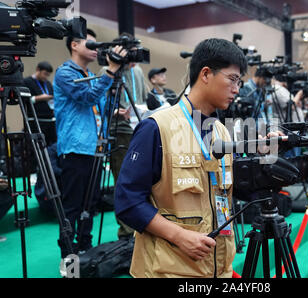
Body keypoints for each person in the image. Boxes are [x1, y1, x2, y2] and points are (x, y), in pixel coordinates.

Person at [115, 38, 285, 278]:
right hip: (168, 271)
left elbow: (230, 190)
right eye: (233, 79)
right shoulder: (156, 128)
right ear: (206, 74)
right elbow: (128, 202)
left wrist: (268, 160)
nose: (237, 89)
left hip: (218, 268)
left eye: (240, 81)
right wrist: (179, 236)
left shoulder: (221, 131)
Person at [53, 28, 127, 264]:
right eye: (91, 44)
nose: (96, 50)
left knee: (90, 203)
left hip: (95, 148)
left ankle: (85, 249)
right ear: (74, 45)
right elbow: (85, 97)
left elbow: (96, 106)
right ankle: (68, 254)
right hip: (75, 148)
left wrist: (114, 111)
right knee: (73, 205)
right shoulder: (65, 73)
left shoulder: (91, 74)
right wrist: (110, 71)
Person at [99, 33, 149, 240]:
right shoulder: (107, 71)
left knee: (142, 177)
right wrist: (113, 111)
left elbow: (144, 96)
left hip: (139, 125)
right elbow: (99, 100)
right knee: (122, 178)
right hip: (118, 128)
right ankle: (127, 230)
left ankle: (142, 224)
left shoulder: (137, 71)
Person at [23, 61, 57, 146]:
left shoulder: (48, 84)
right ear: (38, 70)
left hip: (50, 121)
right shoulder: (27, 82)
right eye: (45, 74)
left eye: (48, 75)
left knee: (50, 146)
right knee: (36, 146)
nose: (46, 77)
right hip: (35, 121)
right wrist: (39, 98)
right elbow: (23, 100)